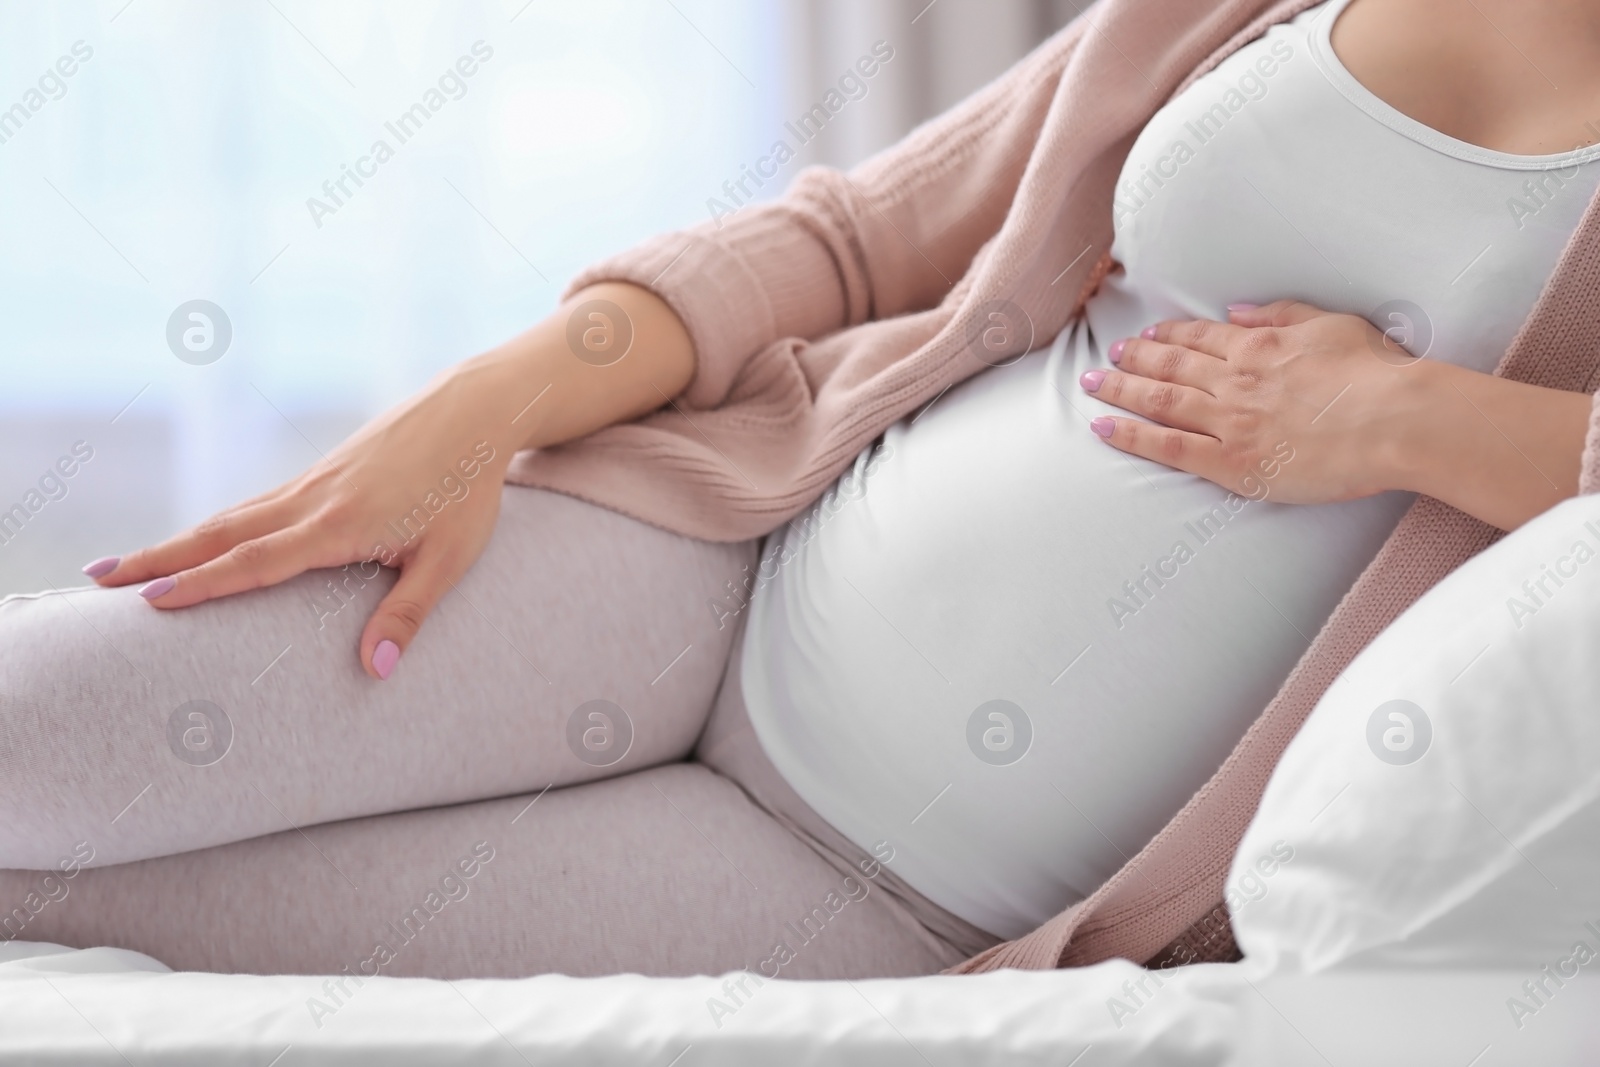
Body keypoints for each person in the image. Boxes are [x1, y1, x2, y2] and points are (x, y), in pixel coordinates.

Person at [3, 0, 1599, 981]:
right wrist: (485, 402)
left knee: (48, 903)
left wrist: (1402, 421)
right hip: (719, 561)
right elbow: (858, 238)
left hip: (889, 894)